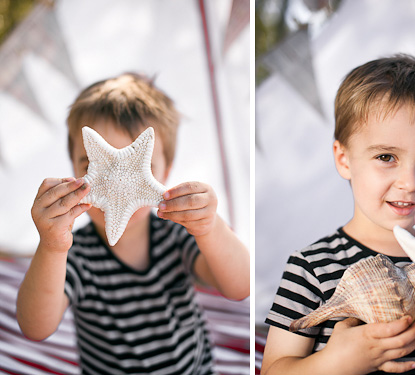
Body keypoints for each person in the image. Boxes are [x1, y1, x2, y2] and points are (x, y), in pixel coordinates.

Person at [262, 55, 415, 375]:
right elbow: (274, 369)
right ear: (344, 159)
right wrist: (336, 362)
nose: (410, 183)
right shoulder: (311, 267)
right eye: (386, 156)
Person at [17, 73, 250, 374]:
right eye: (92, 165)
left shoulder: (177, 235)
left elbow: (239, 285)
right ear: (74, 169)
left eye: (139, 166)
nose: (115, 183)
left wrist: (210, 227)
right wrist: (51, 246)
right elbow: (35, 327)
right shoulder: (73, 254)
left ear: (165, 171)